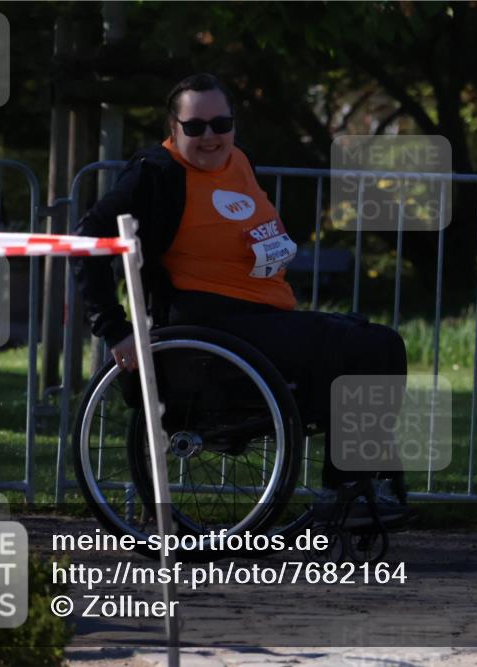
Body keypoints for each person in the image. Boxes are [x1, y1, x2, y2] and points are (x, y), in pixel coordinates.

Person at [71, 73, 409, 525]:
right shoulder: (158, 174)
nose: (210, 136)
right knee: (368, 347)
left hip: (261, 315)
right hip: (209, 325)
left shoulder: (238, 162)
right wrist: (113, 328)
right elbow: (87, 240)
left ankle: (362, 484)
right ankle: (347, 488)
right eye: (195, 127)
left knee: (380, 343)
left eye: (221, 124)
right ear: (173, 129)